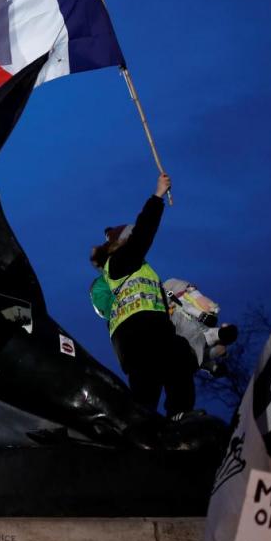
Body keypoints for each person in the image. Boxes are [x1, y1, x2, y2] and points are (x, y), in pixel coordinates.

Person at [90, 173, 197, 420]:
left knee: (148, 386)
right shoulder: (120, 261)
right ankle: (179, 416)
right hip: (142, 331)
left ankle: (140, 425)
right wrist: (157, 195)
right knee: (177, 358)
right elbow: (144, 231)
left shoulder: (131, 267)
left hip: (134, 340)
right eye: (130, 237)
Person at [163, 278, 238, 378]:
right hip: (191, 328)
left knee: (208, 312)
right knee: (209, 311)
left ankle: (219, 334)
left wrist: (214, 367)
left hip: (187, 327)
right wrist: (214, 367)